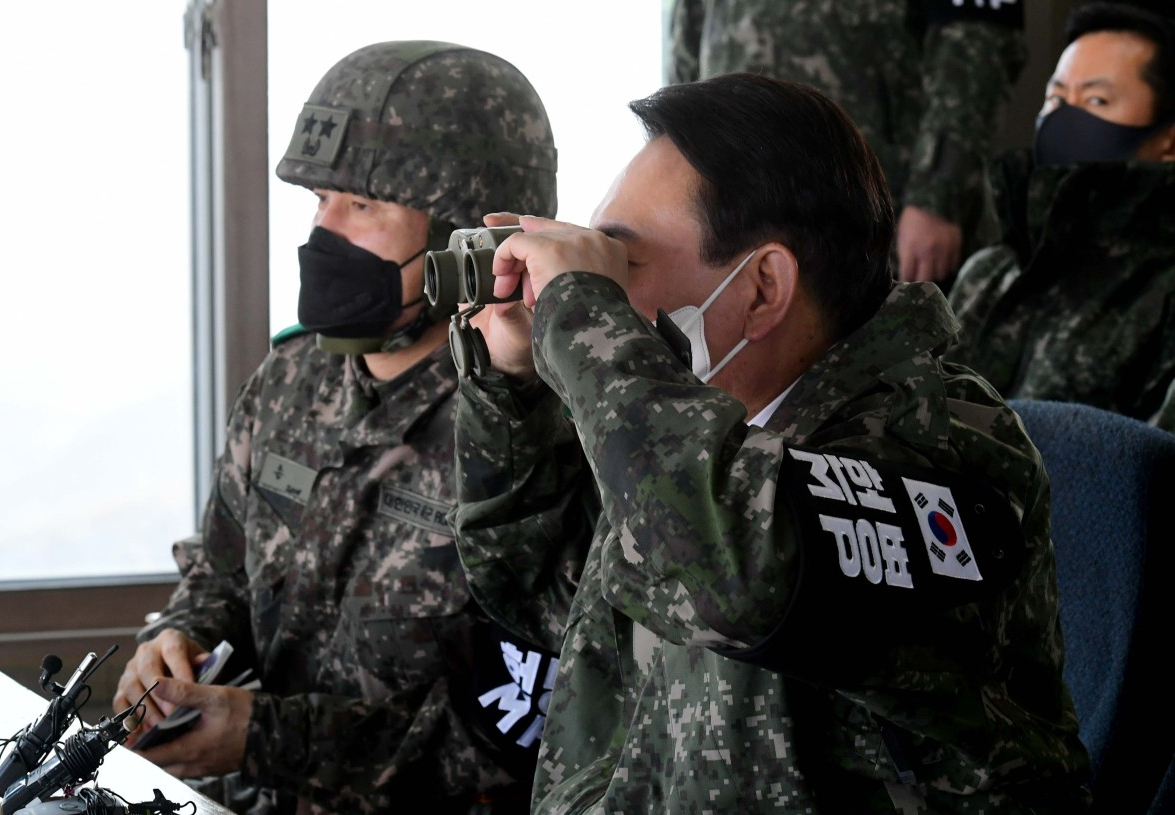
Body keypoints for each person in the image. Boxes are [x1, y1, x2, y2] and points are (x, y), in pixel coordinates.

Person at [449, 72, 1090, 812]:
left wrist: (584, 326)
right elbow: (541, 582)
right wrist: (514, 385)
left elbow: (741, 570)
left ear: (761, 288)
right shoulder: (705, 428)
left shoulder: (940, 446)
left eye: (621, 264)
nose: (602, 301)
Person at [110, 40, 559, 815]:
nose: (323, 234)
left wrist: (265, 737)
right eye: (320, 198)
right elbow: (222, 573)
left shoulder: (533, 431)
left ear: (466, 239)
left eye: (362, 205)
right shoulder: (290, 381)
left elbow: (527, 730)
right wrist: (175, 643)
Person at [664, 0, 1027, 285]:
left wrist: (939, 198)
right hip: (741, 213)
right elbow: (687, 56)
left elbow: (976, 45)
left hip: (883, 218)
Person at [946, 2, 1175, 432]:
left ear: (1168, 141)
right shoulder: (988, 274)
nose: (1064, 118)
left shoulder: (1162, 292)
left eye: (1096, 100)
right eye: (1055, 98)